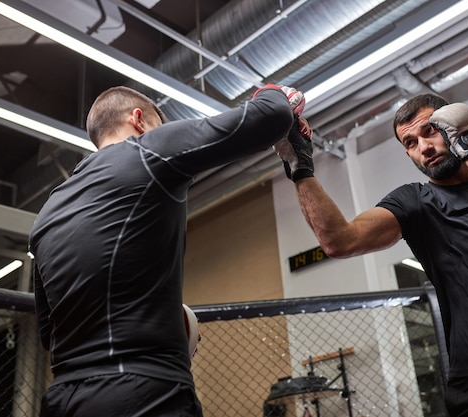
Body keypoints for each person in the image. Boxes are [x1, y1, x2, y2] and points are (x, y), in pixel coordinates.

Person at [274, 93, 468, 416]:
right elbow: (339, 241)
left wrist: (467, 141)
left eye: (430, 131)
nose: (424, 147)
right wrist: (301, 169)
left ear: (452, 122)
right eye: (411, 143)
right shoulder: (415, 203)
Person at [29, 84, 300, 417]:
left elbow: (49, 332)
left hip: (62, 399)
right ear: (139, 120)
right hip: (141, 393)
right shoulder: (147, 148)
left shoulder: (46, 213)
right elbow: (272, 116)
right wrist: (275, 91)